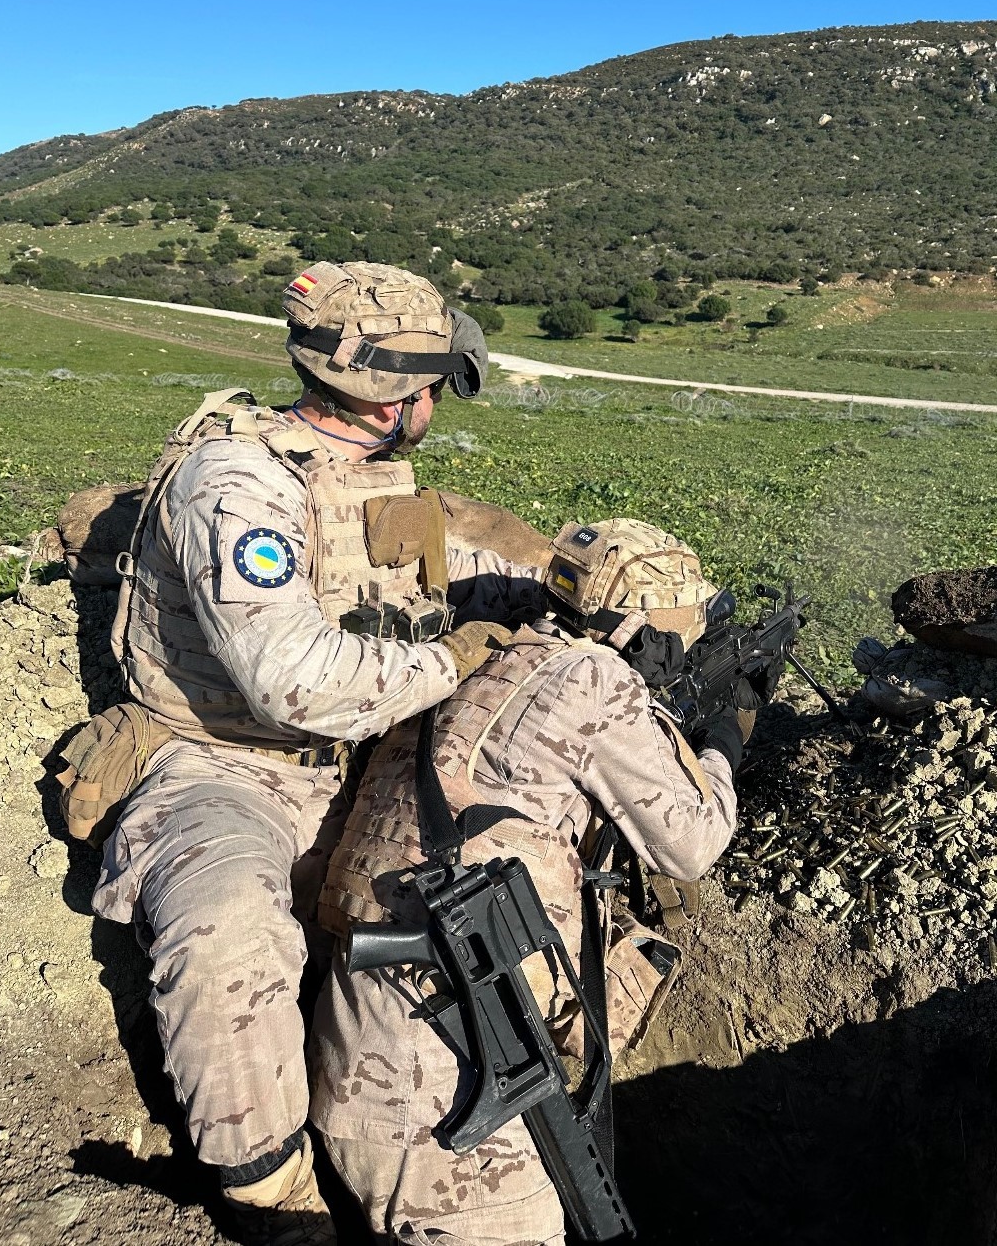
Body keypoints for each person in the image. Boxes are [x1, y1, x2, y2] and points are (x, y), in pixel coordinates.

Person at [82, 262, 545, 1245]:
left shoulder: (366, 471)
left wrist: (544, 600)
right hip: (225, 765)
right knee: (225, 931)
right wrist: (447, 660)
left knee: (487, 900)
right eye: (434, 384)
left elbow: (420, 583)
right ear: (404, 392)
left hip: (363, 760)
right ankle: (275, 1194)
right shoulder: (238, 482)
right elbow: (293, 678)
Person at [309, 518, 745, 1246]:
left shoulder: (482, 648)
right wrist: (723, 744)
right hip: (440, 1096)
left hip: (363, 1060)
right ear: (643, 634)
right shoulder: (593, 678)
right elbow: (692, 842)